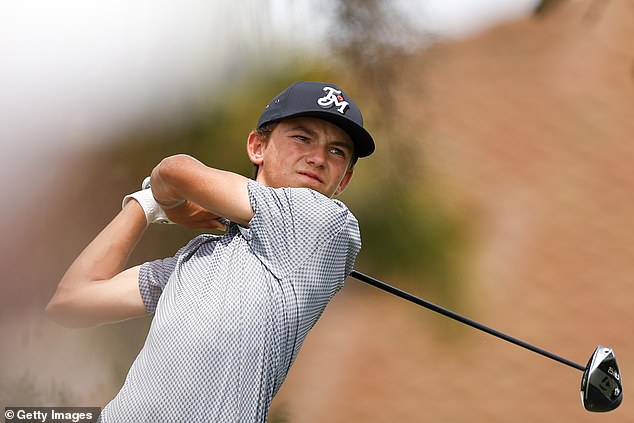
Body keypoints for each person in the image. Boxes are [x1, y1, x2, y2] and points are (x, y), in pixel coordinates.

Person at [46, 81, 375, 422]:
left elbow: (173, 170)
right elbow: (71, 302)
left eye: (337, 151)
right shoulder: (196, 258)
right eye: (302, 138)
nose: (319, 158)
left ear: (345, 180)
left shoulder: (328, 222)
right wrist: (146, 205)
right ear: (257, 146)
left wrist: (171, 201)